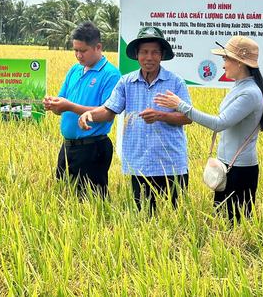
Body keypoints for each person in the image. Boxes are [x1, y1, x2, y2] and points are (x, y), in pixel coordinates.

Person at [154, 36, 263, 222]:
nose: (223, 65)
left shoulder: (250, 92)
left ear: (239, 62)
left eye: (225, 59)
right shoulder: (239, 88)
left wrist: (181, 106)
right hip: (227, 167)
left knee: (235, 226)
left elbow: (219, 123)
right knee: (223, 224)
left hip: (240, 170)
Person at [78, 26, 192, 212]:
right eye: (144, 52)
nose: (149, 57)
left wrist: (160, 115)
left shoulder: (175, 82)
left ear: (162, 55)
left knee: (172, 219)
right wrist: (89, 115)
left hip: (171, 164)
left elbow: (188, 118)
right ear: (137, 55)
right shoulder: (126, 82)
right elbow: (109, 111)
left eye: (155, 52)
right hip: (140, 164)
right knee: (143, 218)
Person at [43, 21, 121, 197]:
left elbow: (107, 113)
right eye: (75, 50)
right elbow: (60, 107)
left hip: (93, 148)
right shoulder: (74, 70)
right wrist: (53, 105)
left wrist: (69, 106)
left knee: (91, 204)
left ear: (98, 47)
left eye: (83, 51)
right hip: (68, 147)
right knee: (64, 198)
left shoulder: (111, 74)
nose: (79, 55)